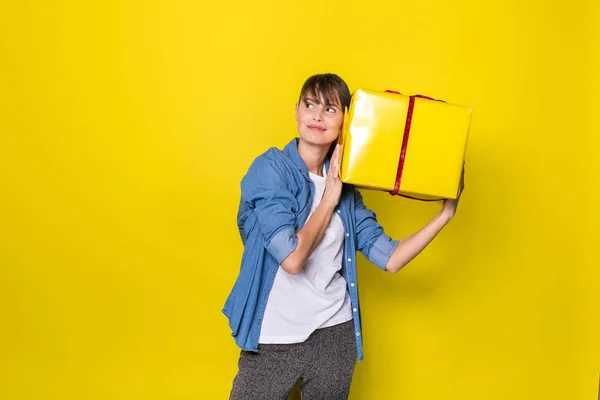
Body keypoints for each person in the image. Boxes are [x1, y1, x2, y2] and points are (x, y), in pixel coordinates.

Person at [223, 73, 465, 400]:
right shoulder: (271, 170)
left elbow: (391, 259)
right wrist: (327, 199)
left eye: (330, 109)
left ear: (347, 122)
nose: (317, 116)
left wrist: (444, 215)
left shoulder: (347, 191)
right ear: (296, 111)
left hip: (334, 336)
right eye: (309, 105)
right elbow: (292, 259)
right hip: (273, 338)